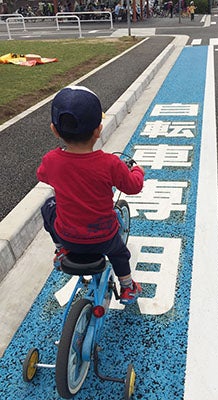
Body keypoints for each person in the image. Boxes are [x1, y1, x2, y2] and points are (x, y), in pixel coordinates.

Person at [37, 85, 145, 305]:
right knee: (120, 253)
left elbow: (43, 176)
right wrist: (137, 171)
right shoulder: (110, 164)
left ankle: (60, 250)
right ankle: (127, 287)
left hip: (68, 235)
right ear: (99, 130)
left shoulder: (51, 160)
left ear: (54, 130)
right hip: (103, 238)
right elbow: (133, 186)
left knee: (48, 206)